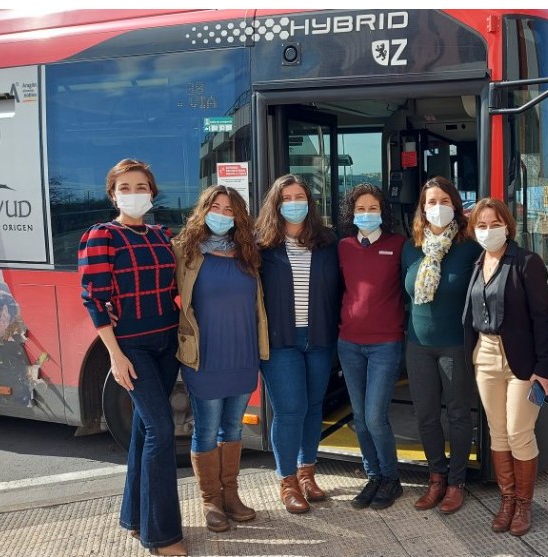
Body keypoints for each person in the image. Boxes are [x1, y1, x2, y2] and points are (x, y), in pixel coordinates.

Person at [77, 159, 187, 556]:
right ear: (112, 194)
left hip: (166, 344)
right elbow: (93, 297)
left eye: (141, 186)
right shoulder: (101, 236)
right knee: (161, 433)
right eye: (125, 187)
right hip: (133, 348)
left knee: (144, 432)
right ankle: (163, 536)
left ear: (153, 192)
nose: (134, 193)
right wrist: (114, 355)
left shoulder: (161, 235)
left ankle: (135, 517)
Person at [173, 185, 268, 532]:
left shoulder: (248, 252)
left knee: (233, 428)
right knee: (208, 429)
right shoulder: (185, 251)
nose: (223, 214)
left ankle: (231, 496)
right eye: (216, 207)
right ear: (204, 209)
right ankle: (210, 500)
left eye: (230, 210)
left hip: (243, 354)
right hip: (205, 357)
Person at [462, 198, 548, 536]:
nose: (488, 230)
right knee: (497, 431)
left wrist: (544, 369)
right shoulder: (477, 263)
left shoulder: (526, 262)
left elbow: (540, 318)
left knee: (519, 431)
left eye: (494, 223)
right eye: (481, 225)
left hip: (522, 361)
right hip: (485, 356)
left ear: (507, 226)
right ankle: (507, 501)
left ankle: (525, 506)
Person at [256, 174, 340, 514]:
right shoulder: (261, 244)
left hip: (319, 339)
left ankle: (307, 473)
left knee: (314, 406)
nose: (295, 203)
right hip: (281, 342)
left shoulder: (326, 241)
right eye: (287, 198)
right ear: (276, 205)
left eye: (300, 196)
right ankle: (287, 481)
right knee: (290, 410)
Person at [401, 176, 482, 514]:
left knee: (460, 414)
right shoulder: (411, 248)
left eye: (444, 201)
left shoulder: (470, 247)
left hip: (455, 344)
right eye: (431, 202)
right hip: (417, 344)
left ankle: (456, 482)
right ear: (422, 209)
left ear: (456, 205)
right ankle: (436, 476)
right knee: (426, 414)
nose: (437, 208)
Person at [337, 184, 406, 510]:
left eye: (373, 208)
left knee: (376, 416)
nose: (366, 214)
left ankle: (392, 479)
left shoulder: (398, 245)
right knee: (361, 418)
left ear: (383, 212)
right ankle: (374, 475)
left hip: (385, 344)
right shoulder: (344, 247)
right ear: (352, 214)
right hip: (349, 343)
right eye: (360, 209)